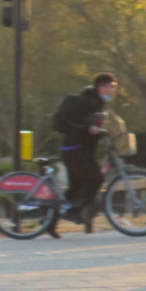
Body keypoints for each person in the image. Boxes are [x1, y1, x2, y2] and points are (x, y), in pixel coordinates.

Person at [50, 73, 117, 234]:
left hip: (76, 149)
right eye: (111, 87)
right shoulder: (89, 101)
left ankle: (49, 223)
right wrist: (88, 128)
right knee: (96, 178)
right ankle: (74, 212)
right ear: (101, 88)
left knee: (74, 189)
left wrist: (100, 131)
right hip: (75, 150)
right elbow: (72, 118)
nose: (114, 90)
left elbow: (89, 124)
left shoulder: (98, 103)